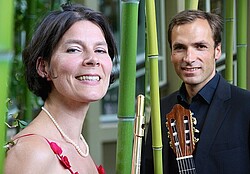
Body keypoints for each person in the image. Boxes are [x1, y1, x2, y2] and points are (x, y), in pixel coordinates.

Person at [4, 3, 117, 174]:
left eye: (100, 50)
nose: (93, 60)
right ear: (43, 67)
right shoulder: (32, 152)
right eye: (74, 49)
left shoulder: (78, 145)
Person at [141, 10, 250, 174]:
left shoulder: (245, 106)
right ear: (171, 54)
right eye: (180, 48)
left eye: (200, 46)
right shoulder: (161, 109)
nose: (189, 58)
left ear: (217, 51)